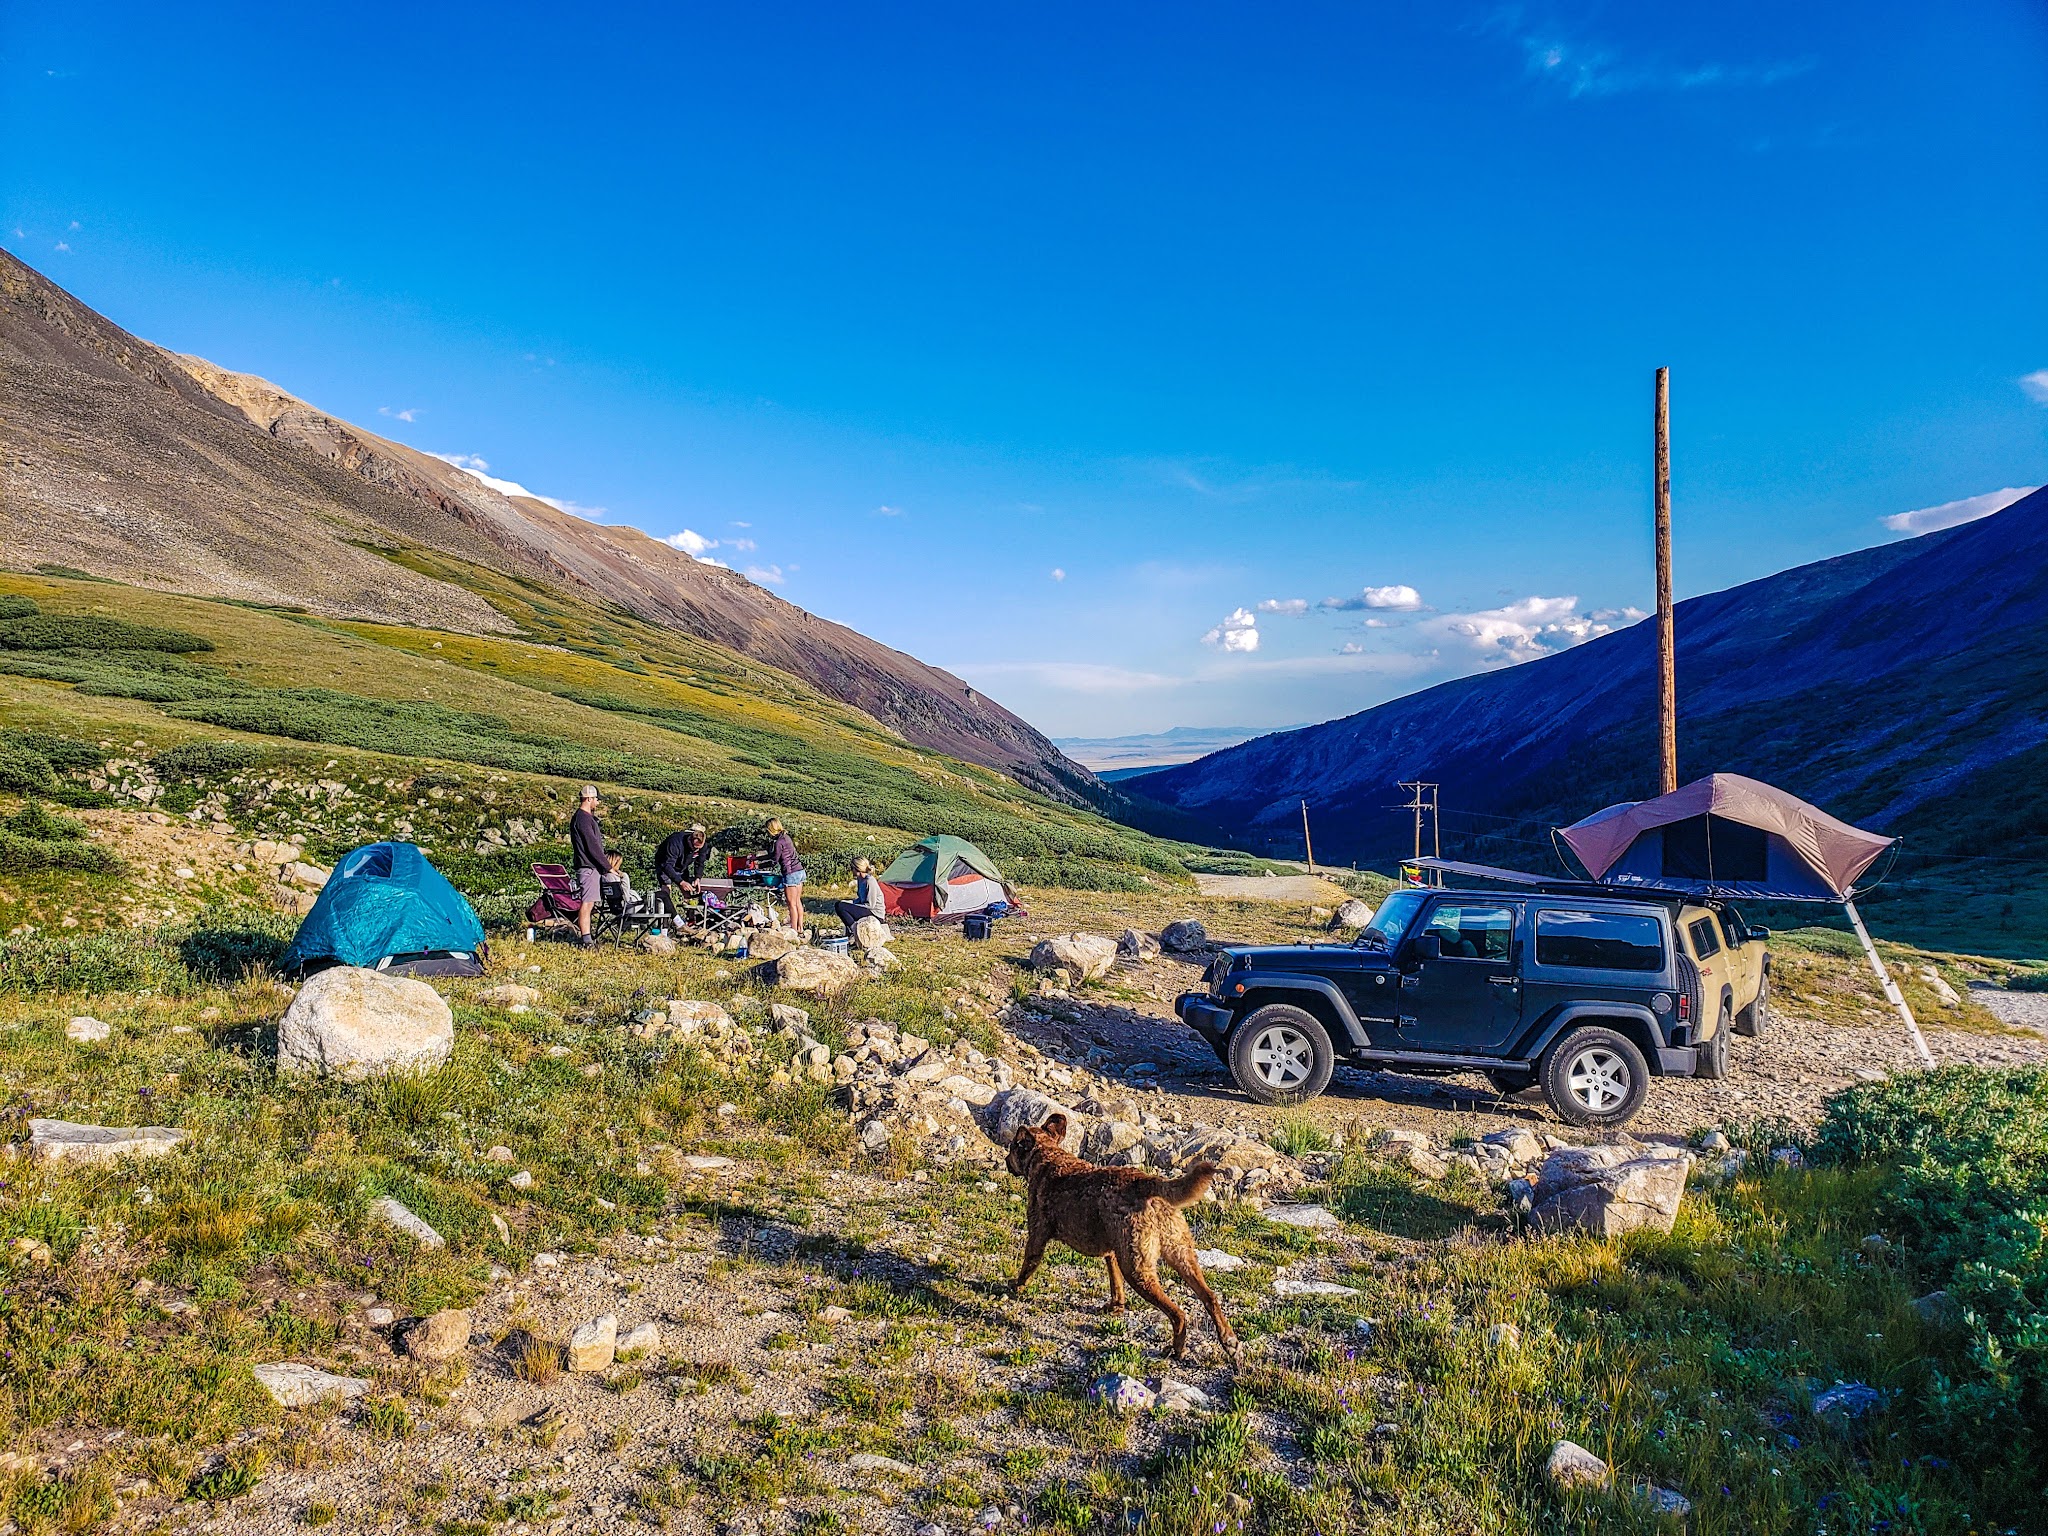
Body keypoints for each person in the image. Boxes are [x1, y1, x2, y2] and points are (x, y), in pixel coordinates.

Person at [569, 784, 608, 947]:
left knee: (590, 902)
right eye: (596, 799)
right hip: (588, 866)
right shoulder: (583, 818)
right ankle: (586, 939)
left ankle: (588, 936)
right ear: (589, 798)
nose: (598, 803)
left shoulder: (583, 818)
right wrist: (607, 867)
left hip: (589, 866)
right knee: (587, 902)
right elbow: (592, 846)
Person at [655, 822, 713, 914]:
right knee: (666, 890)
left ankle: (690, 920)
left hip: (682, 865)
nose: (696, 850)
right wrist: (681, 882)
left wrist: (698, 877)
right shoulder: (674, 843)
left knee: (687, 892)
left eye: (699, 848)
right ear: (689, 840)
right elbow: (667, 865)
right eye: (694, 848)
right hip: (665, 863)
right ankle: (665, 921)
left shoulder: (702, 846)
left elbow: (700, 863)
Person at [765, 817, 805, 932]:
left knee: (791, 904)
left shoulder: (778, 842)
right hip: (800, 871)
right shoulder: (786, 838)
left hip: (791, 873)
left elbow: (774, 860)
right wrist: (758, 858)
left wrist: (758, 865)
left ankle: (793, 929)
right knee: (797, 901)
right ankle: (800, 928)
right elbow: (774, 855)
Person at [836, 856, 884, 936]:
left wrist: (852, 906)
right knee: (839, 904)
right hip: (866, 909)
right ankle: (851, 930)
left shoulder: (870, 881)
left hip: (875, 913)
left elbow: (870, 905)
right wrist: (849, 902)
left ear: (857, 868)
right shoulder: (860, 880)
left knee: (840, 906)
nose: (851, 870)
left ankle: (854, 930)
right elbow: (860, 899)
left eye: (852, 868)